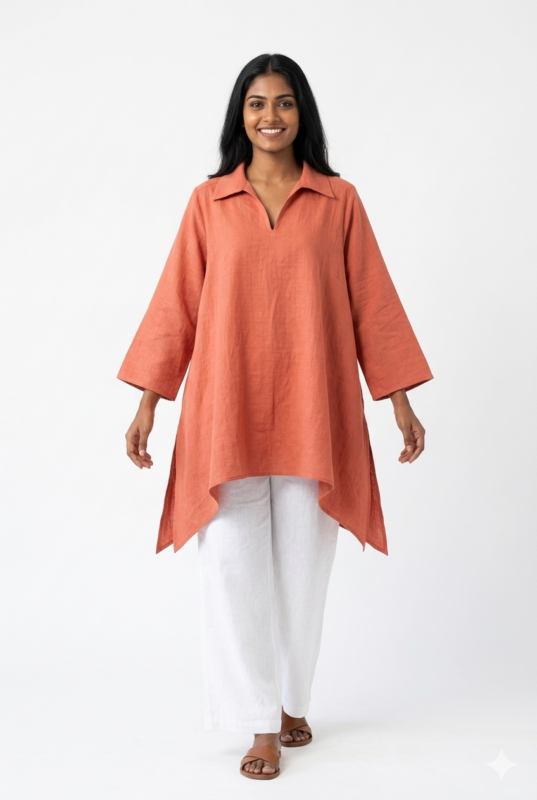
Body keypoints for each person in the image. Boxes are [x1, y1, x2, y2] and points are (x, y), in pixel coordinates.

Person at [117, 53, 433, 780]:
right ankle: (258, 723)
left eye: (284, 103)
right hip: (224, 410)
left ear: (302, 113)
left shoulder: (338, 201)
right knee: (233, 570)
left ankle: (291, 700)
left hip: (312, 407)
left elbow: (372, 302)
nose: (270, 116)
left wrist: (399, 400)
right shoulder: (208, 202)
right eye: (257, 103)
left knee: (302, 574)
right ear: (240, 114)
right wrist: (148, 403)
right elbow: (176, 304)